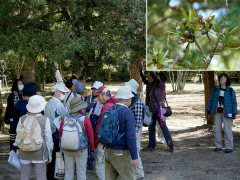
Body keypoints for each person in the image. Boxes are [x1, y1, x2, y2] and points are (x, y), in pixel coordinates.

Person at [15, 95, 53, 180]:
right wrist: (49, 153)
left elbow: (18, 135)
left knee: (24, 176)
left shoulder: (22, 118)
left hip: (24, 151)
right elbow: (48, 139)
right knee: (41, 177)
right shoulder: (45, 119)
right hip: (40, 153)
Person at [105, 85, 139, 180]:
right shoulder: (127, 113)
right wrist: (134, 157)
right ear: (128, 99)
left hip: (108, 151)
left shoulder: (111, 110)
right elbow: (130, 137)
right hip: (121, 153)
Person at [59, 97, 94, 180]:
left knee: (68, 171)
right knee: (81, 172)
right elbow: (90, 137)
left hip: (67, 148)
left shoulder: (65, 119)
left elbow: (61, 135)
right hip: (81, 150)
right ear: (81, 108)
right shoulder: (85, 119)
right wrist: (91, 150)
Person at [140, 70, 174, 152]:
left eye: (157, 76)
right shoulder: (154, 85)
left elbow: (155, 78)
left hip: (159, 110)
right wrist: (140, 72)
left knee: (163, 127)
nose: (155, 77)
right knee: (151, 128)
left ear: (160, 78)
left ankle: (170, 145)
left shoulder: (162, 85)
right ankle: (152, 145)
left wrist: (151, 69)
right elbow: (145, 81)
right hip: (152, 109)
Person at [44, 73, 70, 180]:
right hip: (56, 135)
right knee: (56, 159)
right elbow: (65, 117)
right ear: (56, 92)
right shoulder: (58, 104)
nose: (64, 94)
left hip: (49, 134)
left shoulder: (50, 102)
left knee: (51, 160)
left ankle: (50, 177)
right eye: (62, 92)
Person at [206, 73, 237, 153]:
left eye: (224, 77)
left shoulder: (230, 90)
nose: (222, 79)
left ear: (227, 80)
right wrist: (208, 110)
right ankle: (218, 146)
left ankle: (229, 147)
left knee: (228, 130)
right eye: (221, 77)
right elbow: (211, 100)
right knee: (217, 130)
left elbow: (234, 103)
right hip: (217, 113)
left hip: (227, 113)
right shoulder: (215, 89)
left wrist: (234, 113)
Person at [93, 86, 117, 180]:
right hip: (111, 139)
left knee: (100, 163)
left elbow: (103, 126)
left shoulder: (107, 106)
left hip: (104, 141)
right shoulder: (113, 103)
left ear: (104, 95)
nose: (97, 99)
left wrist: (98, 138)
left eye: (98, 96)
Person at [124, 79, 145, 179]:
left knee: (135, 151)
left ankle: (139, 174)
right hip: (130, 128)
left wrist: (135, 131)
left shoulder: (137, 102)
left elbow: (138, 119)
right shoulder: (130, 99)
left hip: (135, 129)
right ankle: (133, 172)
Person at [12, 82, 38, 151]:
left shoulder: (18, 104)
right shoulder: (37, 105)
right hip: (36, 138)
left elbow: (15, 122)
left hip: (22, 137)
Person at [84, 81, 103, 170]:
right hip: (89, 121)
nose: (94, 91)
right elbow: (86, 108)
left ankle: (99, 159)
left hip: (98, 122)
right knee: (89, 141)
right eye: (93, 89)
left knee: (97, 141)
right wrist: (93, 103)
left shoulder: (102, 98)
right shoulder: (89, 98)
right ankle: (90, 160)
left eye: (96, 89)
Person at [4, 79, 24, 150]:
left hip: (23, 119)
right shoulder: (12, 95)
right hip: (13, 118)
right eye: (19, 84)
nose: (21, 85)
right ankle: (13, 152)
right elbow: (9, 107)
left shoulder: (23, 95)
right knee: (13, 137)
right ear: (16, 85)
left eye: (22, 83)